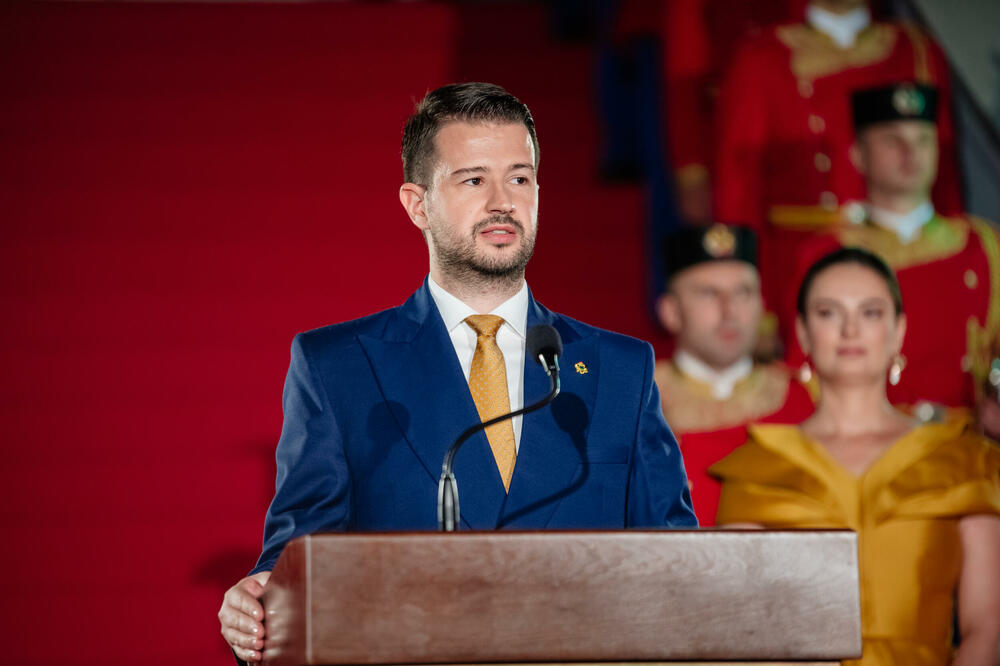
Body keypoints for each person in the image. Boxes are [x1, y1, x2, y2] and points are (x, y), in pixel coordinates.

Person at [217, 82, 697, 662]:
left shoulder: (623, 368)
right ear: (417, 204)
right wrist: (258, 605)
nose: (502, 202)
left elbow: (679, 563)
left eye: (519, 179)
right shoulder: (337, 365)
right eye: (473, 180)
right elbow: (299, 560)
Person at [711, 247, 1000, 665]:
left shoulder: (967, 460)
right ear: (803, 332)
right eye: (829, 313)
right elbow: (738, 625)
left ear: (898, 330)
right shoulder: (756, 466)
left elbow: (988, 628)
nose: (850, 330)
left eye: (870, 313)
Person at [713, 0, 961, 326]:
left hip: (910, 255)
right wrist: (754, 302)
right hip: (800, 264)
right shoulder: (763, 56)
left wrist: (957, 261)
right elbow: (738, 189)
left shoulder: (914, 50)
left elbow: (943, 179)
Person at [782, 82, 1000, 416]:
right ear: (858, 155)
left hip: (970, 436)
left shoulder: (984, 244)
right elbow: (805, 369)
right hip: (866, 436)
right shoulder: (825, 253)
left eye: (923, 140)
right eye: (892, 140)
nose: (910, 153)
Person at [654, 224, 813, 524]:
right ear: (671, 312)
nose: (729, 311)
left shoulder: (803, 397)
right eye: (708, 294)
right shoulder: (639, 399)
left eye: (743, 293)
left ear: (762, 306)